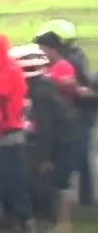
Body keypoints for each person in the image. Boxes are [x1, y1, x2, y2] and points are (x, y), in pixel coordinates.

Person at [15, 43, 78, 231]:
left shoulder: (40, 93)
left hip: (59, 143)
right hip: (63, 140)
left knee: (57, 183)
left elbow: (46, 128)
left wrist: (45, 157)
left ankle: (62, 224)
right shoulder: (44, 85)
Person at [0, 33, 35, 233]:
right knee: (6, 180)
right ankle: (16, 221)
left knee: (14, 179)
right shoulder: (3, 70)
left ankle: (27, 224)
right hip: (5, 130)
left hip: (9, 132)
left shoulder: (8, 70)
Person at [36, 19, 94, 207]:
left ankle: (81, 201)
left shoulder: (68, 62)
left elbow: (75, 88)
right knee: (79, 160)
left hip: (76, 117)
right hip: (77, 115)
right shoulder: (75, 56)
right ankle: (83, 200)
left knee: (76, 160)